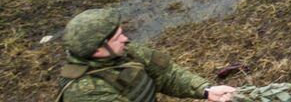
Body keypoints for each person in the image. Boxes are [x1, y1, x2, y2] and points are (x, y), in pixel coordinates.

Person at [55, 8, 236, 102]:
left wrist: (206, 91)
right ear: (97, 50)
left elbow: (167, 75)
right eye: (118, 38)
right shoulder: (85, 92)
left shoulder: (125, 51)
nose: (126, 39)